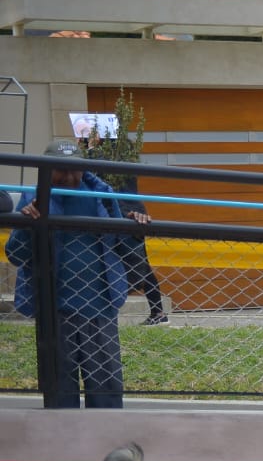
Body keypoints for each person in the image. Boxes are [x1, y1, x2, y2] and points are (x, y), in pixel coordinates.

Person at [4, 140, 134, 408]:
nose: (68, 176)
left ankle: (106, 440)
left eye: (74, 169)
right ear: (46, 170)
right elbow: (16, 255)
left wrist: (136, 225)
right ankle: (64, 445)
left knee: (106, 387)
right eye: (60, 170)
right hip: (55, 310)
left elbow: (123, 244)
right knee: (59, 389)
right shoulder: (35, 196)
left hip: (100, 307)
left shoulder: (100, 194)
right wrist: (28, 225)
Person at [81, 132, 169, 326]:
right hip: (130, 211)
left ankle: (158, 312)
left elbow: (93, 170)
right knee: (141, 264)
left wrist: (90, 149)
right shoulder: (126, 155)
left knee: (138, 264)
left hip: (125, 212)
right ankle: (158, 312)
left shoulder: (112, 158)